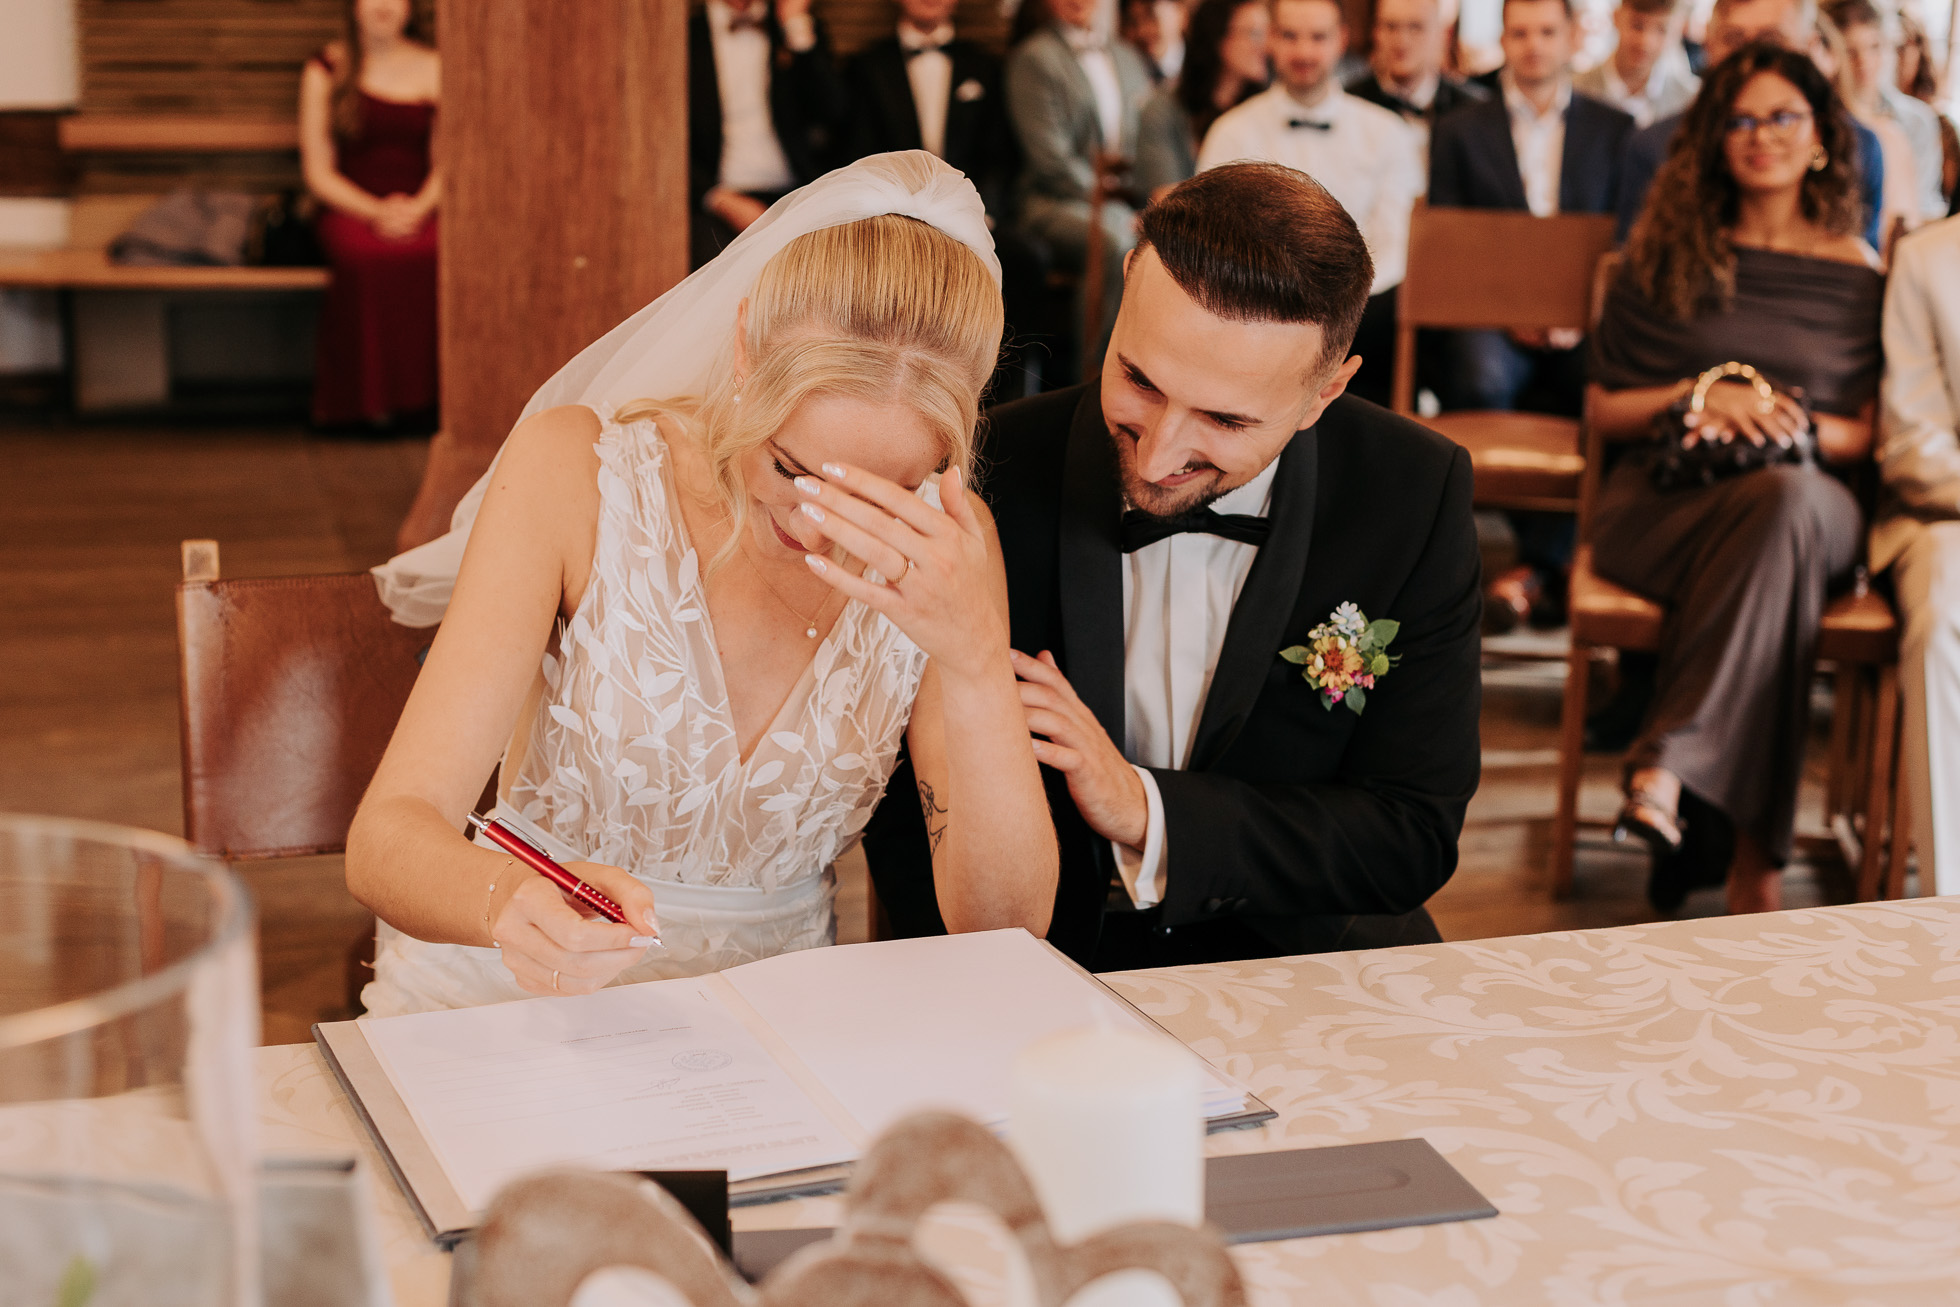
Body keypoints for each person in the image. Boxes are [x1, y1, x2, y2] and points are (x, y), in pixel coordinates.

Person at [348, 155, 1059, 1015]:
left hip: (767, 1037)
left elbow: (1005, 925)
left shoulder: (950, 550)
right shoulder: (576, 472)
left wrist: (977, 658)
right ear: (743, 346)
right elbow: (389, 836)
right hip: (509, 997)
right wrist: (507, 901)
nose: (814, 525)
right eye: (791, 465)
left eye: (873, 497)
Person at [862, 162, 1482, 970]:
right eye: (1139, 381)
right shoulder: (979, 472)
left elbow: (1410, 837)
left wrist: (1146, 810)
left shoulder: (1411, 493)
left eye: (1225, 420)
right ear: (1127, 283)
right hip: (1031, 972)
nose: (1158, 457)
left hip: (1296, 961)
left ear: (1326, 392)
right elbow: (907, 831)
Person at [1586, 44, 1881, 915]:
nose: (1762, 137)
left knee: (1786, 507)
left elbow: (1866, 430)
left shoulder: (1859, 271)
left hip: (1812, 488)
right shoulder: (1664, 252)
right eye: (1741, 120)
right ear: (1715, 139)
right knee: (1773, 552)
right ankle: (1757, 867)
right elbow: (1604, 408)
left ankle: (1666, 768)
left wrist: (1776, 414)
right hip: (1669, 498)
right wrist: (1705, 395)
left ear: (1823, 136)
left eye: (1784, 116)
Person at [1429, 0, 1634, 630]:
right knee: (1482, 378)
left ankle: (1537, 568)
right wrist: (1509, 309)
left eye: (1547, 31)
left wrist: (1579, 314)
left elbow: (1623, 240)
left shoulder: (1614, 128)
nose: (1533, 46)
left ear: (1573, 37)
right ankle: (1559, 566)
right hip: (1495, 319)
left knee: (1610, 388)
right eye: (1519, 32)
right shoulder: (1461, 128)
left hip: (1584, 317)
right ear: (1505, 41)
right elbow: (1451, 237)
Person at [1197, 0, 1425, 408]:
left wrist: (1338, 305)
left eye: (1318, 37)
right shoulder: (1230, 133)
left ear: (1341, 41)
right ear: (1271, 40)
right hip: (1256, 309)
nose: (1304, 52)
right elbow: (1213, 242)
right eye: (1290, 36)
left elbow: (1396, 244)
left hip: (1362, 317)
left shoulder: (1388, 133)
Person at [1615, 0, 1887, 244]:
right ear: (1709, 47)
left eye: (1771, 39)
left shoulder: (1856, 150)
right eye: (1734, 39)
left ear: (1808, 46)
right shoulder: (1656, 148)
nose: (1752, 58)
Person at [299, 0, 440, 429]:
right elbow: (318, 172)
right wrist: (376, 212)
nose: (384, 5)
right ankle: (359, 406)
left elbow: (448, 162)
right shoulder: (326, 68)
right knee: (366, 259)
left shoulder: (437, 67)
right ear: (353, 7)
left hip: (422, 208)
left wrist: (418, 209)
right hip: (350, 209)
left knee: (433, 256)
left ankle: (427, 404)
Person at [1872, 215, 1960, 897]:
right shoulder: (1930, 259)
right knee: (1944, 620)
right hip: (1946, 516)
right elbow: (1913, 446)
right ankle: (1949, 905)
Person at [1006, 0, 1157, 376]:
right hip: (1051, 202)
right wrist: (1117, 207)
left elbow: (1148, 140)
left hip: (1126, 202)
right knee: (1115, 240)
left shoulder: (1127, 57)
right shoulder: (1033, 58)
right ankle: (1095, 376)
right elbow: (1050, 161)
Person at [687, 0, 851, 268]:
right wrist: (717, 198)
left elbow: (834, 112)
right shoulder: (687, 36)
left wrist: (795, 24)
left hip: (796, 197)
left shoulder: (794, 28)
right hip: (716, 202)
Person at [845, 0, 1018, 216]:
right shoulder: (867, 68)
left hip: (970, 209)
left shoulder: (985, 66)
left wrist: (983, 211)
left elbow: (1000, 153)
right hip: (891, 210)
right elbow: (860, 153)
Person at [1134, 0, 1271, 199]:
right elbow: (1164, 198)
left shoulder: (1265, 108)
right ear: (1218, 38)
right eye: (1254, 34)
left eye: (1269, 33)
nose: (1266, 46)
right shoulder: (1164, 109)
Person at [1824, 0, 1944, 227]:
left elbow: (1924, 206)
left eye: (1874, 47)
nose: (1864, 62)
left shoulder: (1917, 121)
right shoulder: (1822, 120)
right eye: (1851, 51)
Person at [1347, 0, 1491, 153]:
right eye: (1391, 26)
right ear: (1376, 33)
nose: (1402, 41)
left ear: (1441, 35)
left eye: (1416, 27)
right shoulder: (1349, 103)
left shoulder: (1473, 110)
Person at [1575, 0, 1702, 127]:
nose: (1646, 42)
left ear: (1677, 31)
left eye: (1662, 29)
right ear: (1616, 17)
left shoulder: (1689, 101)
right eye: (1637, 25)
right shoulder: (1577, 89)